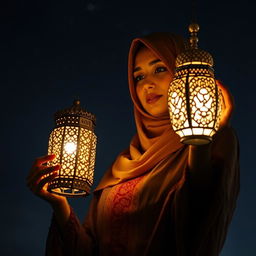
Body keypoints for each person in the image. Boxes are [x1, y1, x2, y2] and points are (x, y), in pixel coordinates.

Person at [26, 32, 240, 256]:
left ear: (182, 75)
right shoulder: (124, 165)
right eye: (138, 77)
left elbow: (200, 215)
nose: (147, 84)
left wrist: (201, 138)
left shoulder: (215, 140)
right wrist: (59, 203)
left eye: (159, 69)